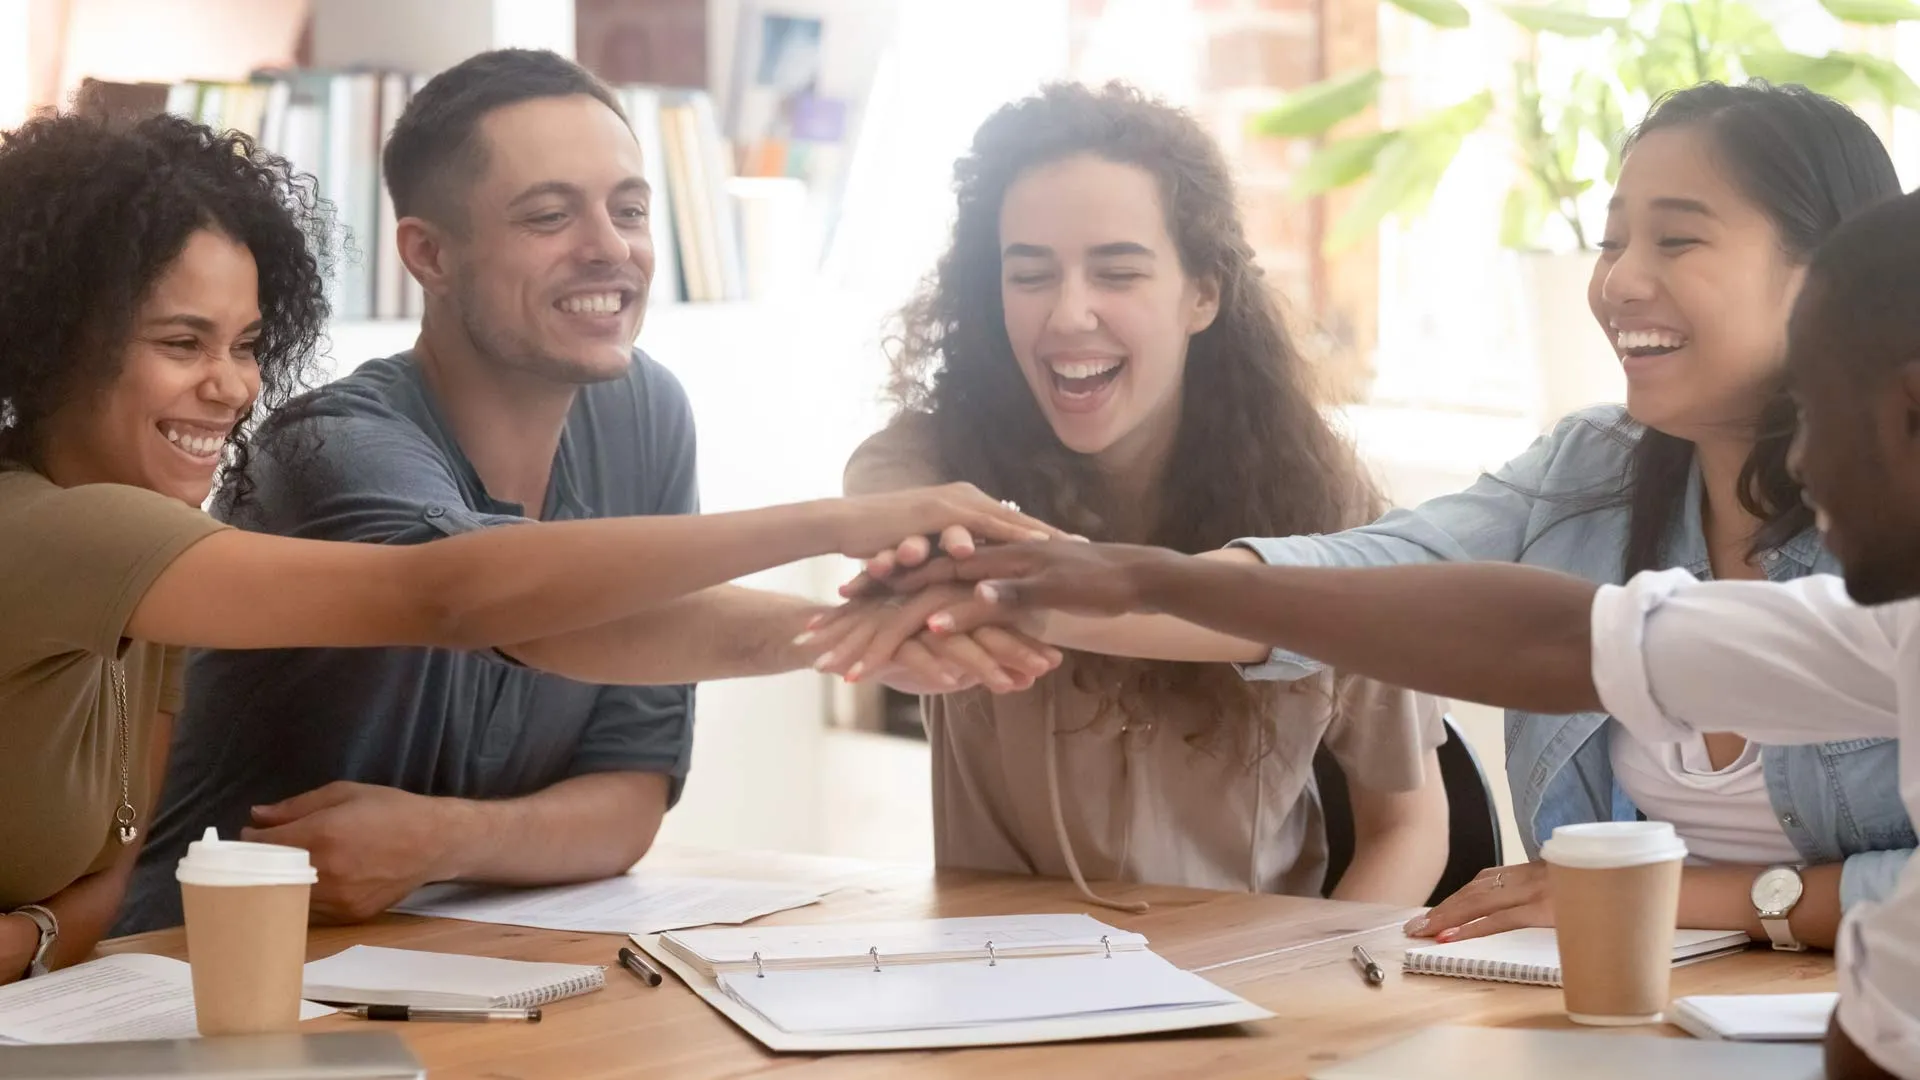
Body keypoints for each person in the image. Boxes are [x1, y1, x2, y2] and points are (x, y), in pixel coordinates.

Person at [826, 80, 1912, 946]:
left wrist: (1728, 899)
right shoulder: (1592, 472)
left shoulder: (1894, 533)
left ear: (1831, 274)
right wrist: (1116, 580)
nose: (1619, 282)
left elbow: (1526, 668)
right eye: (1611, 239)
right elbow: (1371, 578)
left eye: (1676, 242)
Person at [0, 107, 1052, 982]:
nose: (231, 386)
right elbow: (450, 597)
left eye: (243, 345)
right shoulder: (71, 526)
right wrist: (835, 524)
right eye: (181, 343)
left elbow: (553, 642)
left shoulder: (160, 560)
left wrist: (846, 628)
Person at [836, 82, 1449, 910]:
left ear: (1203, 293)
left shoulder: (1327, 504)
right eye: (1030, 275)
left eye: (1118, 271)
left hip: (1250, 1000)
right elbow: (914, 565)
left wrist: (1316, 983)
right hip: (998, 995)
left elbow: (1408, 826)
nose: (1069, 313)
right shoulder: (917, 468)